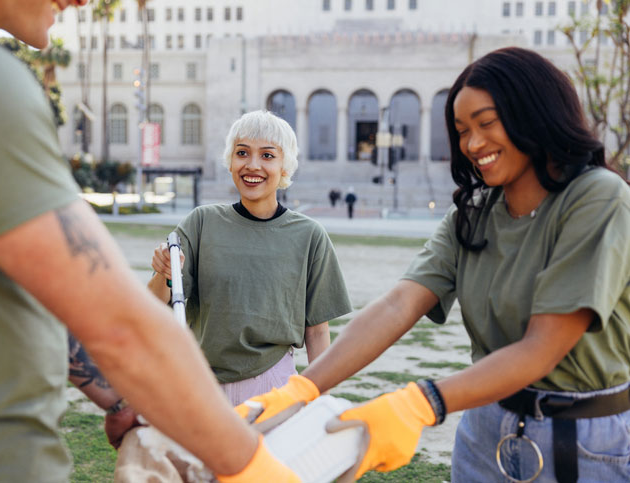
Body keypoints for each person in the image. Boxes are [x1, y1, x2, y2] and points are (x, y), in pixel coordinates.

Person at [0, 1, 297, 481]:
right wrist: (256, 467)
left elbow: (40, 288)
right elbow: (119, 326)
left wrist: (119, 399)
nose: (84, 2)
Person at [237, 47, 630, 482]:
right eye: (462, 130)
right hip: (485, 431)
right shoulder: (475, 210)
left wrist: (419, 402)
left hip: (582, 440)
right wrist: (304, 387)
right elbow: (400, 304)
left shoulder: (598, 198)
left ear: (533, 113)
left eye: (486, 123)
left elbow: (544, 346)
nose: (472, 144)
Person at [148, 110, 352, 406]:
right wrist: (163, 273)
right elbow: (155, 302)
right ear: (230, 160)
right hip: (202, 383)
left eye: (268, 156)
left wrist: (323, 402)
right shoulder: (201, 222)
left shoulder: (310, 236)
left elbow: (318, 331)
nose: (252, 165)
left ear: (285, 167)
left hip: (273, 385)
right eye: (242, 153)